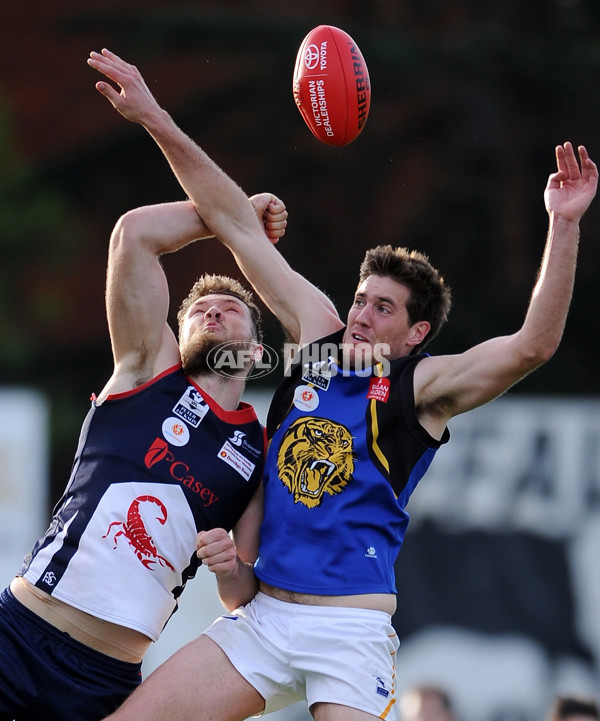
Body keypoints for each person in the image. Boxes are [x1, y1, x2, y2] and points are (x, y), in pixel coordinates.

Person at [87, 49, 598, 721]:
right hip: (264, 620)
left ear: (415, 335)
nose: (360, 314)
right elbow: (235, 222)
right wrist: (155, 117)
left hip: (349, 633)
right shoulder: (316, 337)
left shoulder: (424, 389)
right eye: (361, 299)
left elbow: (534, 344)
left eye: (383, 309)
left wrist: (563, 224)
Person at [0, 138, 287, 719]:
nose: (212, 309)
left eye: (230, 307)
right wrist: (232, 220)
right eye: (197, 308)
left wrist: (230, 565)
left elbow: (243, 597)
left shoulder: (260, 451)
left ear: (256, 351)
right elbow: (134, 235)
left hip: (104, 678)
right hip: (20, 633)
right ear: (174, 336)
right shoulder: (145, 371)